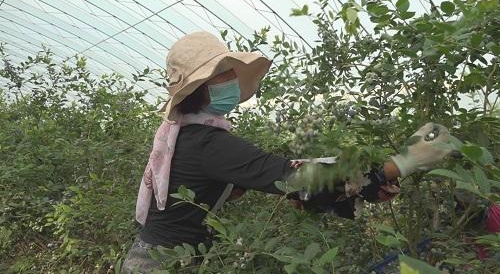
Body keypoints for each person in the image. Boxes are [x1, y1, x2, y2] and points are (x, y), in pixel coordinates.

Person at [121, 31, 452, 273]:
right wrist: (402, 163)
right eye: (223, 72)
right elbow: (292, 176)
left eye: (231, 70)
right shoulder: (207, 142)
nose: (233, 78)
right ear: (199, 89)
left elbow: (237, 183)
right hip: (161, 264)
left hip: (161, 255)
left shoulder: (184, 135)